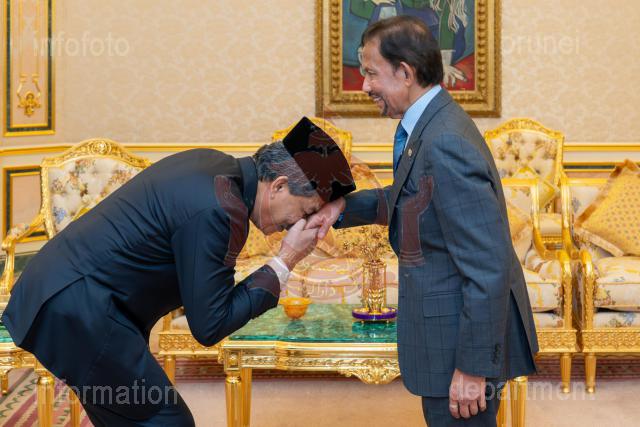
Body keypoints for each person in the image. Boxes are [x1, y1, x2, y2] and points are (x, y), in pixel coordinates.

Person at [1, 117, 355, 426]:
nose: (297, 224)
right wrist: (286, 259)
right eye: (304, 211)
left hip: (68, 299)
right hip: (78, 310)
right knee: (167, 420)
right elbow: (210, 325)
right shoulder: (220, 208)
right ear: (278, 185)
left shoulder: (217, 170)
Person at [307, 16, 538, 426]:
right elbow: (413, 199)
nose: (365, 86)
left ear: (405, 72)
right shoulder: (430, 124)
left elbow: (488, 266)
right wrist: (340, 208)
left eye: (371, 73)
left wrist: (472, 368)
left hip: (459, 344)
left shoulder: (444, 141)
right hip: (447, 333)